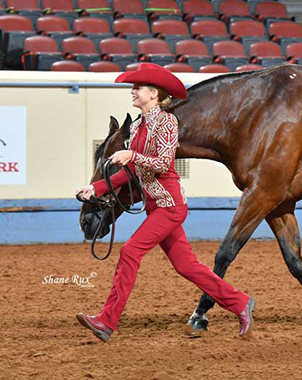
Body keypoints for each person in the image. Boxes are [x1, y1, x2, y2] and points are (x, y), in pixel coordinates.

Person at [75, 63, 254, 343]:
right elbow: (130, 172)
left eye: (139, 88)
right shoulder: (135, 127)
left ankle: (107, 321)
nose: (133, 92)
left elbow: (161, 163)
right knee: (187, 266)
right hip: (155, 207)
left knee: (130, 252)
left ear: (155, 94)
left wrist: (131, 156)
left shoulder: (168, 123)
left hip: (170, 206)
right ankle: (240, 303)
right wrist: (94, 187)